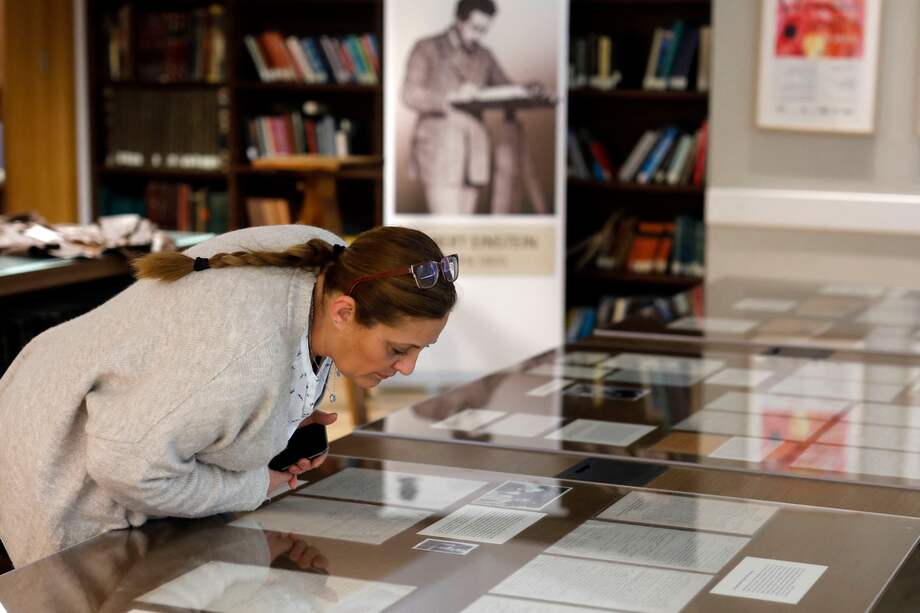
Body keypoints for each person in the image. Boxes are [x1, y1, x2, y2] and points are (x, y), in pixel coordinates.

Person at [0, 224, 458, 568]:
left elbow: (201, 386)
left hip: (110, 410)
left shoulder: (336, 262)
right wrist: (253, 485)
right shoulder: (240, 359)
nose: (408, 366)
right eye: (398, 349)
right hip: (55, 457)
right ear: (343, 311)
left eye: (421, 348)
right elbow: (126, 469)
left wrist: (279, 420)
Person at [403, 0, 512, 215]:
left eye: (485, 30)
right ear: (459, 21)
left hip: (475, 150)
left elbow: (507, 88)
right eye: (475, 28)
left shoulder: (484, 55)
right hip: (440, 151)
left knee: (463, 234)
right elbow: (410, 94)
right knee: (446, 232)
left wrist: (531, 89)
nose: (479, 36)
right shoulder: (427, 47)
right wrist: (451, 96)